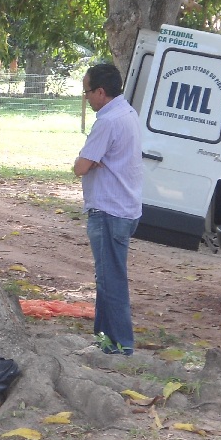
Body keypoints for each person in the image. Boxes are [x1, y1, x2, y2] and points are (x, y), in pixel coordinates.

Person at [74, 62, 143, 355]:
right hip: (124, 207)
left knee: (111, 279)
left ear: (101, 92)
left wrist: (89, 162)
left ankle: (122, 344)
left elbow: (80, 167)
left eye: (88, 92)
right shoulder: (127, 112)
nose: (86, 98)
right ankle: (106, 341)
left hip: (109, 211)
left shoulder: (108, 121)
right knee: (107, 275)